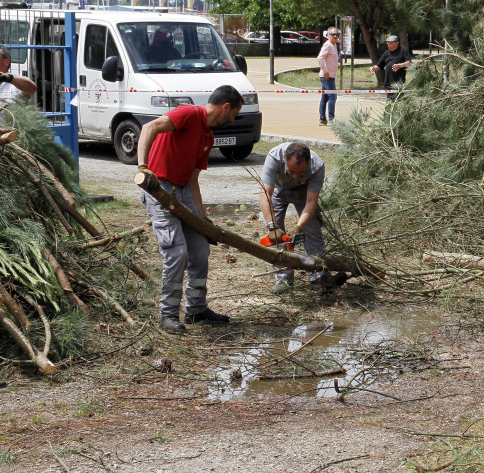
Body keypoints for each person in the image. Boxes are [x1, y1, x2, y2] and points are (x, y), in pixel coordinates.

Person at [136, 85, 243, 334]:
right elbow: (148, 128)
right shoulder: (188, 114)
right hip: (158, 187)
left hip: (183, 191)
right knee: (177, 253)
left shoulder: (208, 137)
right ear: (226, 107)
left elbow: (193, 180)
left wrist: (203, 219)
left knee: (199, 250)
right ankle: (168, 315)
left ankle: (196, 309)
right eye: (234, 114)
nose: (233, 119)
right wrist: (143, 168)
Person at [259, 142, 348, 295]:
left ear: (308, 163)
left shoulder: (317, 166)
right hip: (278, 191)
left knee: (313, 230)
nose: (295, 176)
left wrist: (299, 227)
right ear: (284, 159)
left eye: (300, 172)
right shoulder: (274, 157)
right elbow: (265, 193)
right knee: (276, 238)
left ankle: (320, 277)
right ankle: (284, 281)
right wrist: (272, 226)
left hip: (303, 193)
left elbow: (311, 201)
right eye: (291, 171)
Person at [369, 35, 412, 101]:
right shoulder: (386, 53)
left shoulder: (403, 51)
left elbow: (409, 62)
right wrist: (373, 68)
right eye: (388, 44)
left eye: (391, 44)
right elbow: (379, 65)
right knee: (389, 103)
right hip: (388, 82)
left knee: (398, 102)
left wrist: (401, 65)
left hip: (399, 83)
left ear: (397, 43)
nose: (389, 46)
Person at [316, 28, 340, 125]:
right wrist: (325, 72)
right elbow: (320, 58)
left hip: (330, 76)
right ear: (328, 35)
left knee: (325, 97)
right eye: (333, 34)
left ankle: (322, 119)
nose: (335, 36)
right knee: (332, 97)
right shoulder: (328, 45)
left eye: (337, 34)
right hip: (327, 77)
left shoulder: (334, 45)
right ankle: (331, 119)